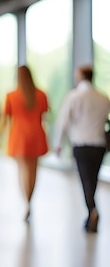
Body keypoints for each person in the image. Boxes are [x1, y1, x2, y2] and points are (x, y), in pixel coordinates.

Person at [53, 65, 110, 233]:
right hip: (99, 145)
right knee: (91, 179)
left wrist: (58, 144)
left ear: (81, 76)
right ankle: (90, 212)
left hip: (81, 144)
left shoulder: (74, 96)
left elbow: (63, 121)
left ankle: (92, 210)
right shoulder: (103, 97)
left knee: (86, 180)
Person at [0, 65, 49, 222]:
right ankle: (29, 199)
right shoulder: (41, 95)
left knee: (22, 171)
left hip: (19, 136)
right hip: (36, 135)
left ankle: (26, 202)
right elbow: (44, 116)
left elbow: (4, 119)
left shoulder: (11, 95)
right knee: (33, 171)